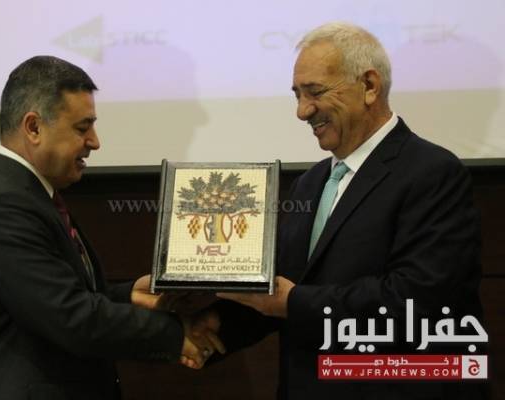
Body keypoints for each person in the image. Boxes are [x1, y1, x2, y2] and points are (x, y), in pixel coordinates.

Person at [191, 22, 486, 399]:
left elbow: (417, 300)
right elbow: (284, 290)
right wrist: (215, 326)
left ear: (370, 86)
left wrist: (292, 302)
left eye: (315, 92)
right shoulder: (310, 183)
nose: (302, 111)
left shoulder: (433, 172)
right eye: (297, 94)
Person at [0, 55, 221, 400]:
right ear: (33, 127)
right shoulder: (0, 206)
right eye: (81, 128)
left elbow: (61, 298)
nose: (95, 141)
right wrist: (175, 334)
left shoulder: (26, 196)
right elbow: (71, 318)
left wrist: (131, 295)